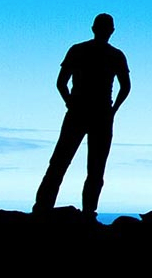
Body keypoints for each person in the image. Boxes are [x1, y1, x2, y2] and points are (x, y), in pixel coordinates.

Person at [32, 13, 131, 219]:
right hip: (102, 114)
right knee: (95, 167)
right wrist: (113, 110)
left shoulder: (78, 50)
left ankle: (42, 207)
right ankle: (88, 213)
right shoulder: (116, 55)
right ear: (111, 31)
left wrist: (70, 102)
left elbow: (61, 83)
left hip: (79, 112)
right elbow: (126, 87)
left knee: (60, 162)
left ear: (93, 28)